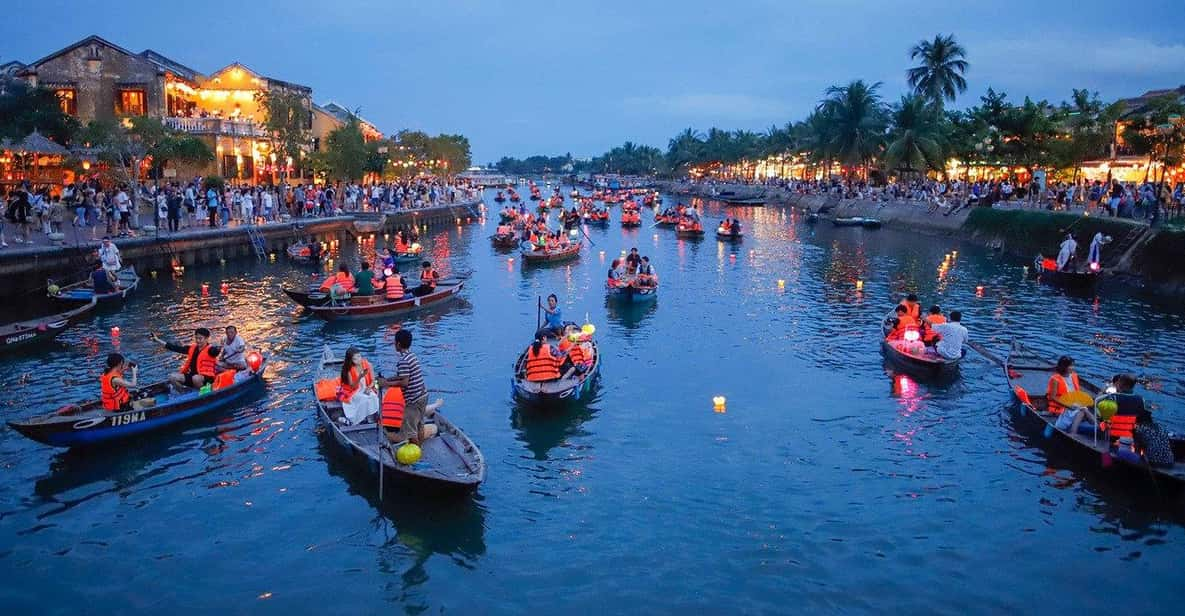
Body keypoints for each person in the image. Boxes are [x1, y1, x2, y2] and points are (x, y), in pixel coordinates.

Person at [378, 329, 430, 444]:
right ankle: (420, 449)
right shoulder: (411, 356)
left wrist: (386, 384)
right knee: (420, 424)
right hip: (423, 395)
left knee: (410, 431)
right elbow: (401, 376)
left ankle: (415, 453)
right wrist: (387, 379)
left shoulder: (403, 361)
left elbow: (404, 382)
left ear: (398, 344)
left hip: (413, 400)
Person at [153, 328, 218, 389]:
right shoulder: (192, 348)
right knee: (172, 377)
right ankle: (184, 394)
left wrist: (219, 348)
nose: (198, 341)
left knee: (196, 378)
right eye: (196, 338)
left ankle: (205, 393)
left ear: (206, 338)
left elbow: (216, 351)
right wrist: (158, 340)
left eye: (200, 338)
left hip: (207, 379)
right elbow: (176, 348)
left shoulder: (211, 350)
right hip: (192, 376)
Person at [337, 347, 378, 425]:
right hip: (354, 391)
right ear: (351, 360)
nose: (359, 359)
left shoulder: (368, 364)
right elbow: (352, 386)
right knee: (364, 399)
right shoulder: (349, 370)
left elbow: (373, 381)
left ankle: (370, 417)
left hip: (366, 388)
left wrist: (369, 388)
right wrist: (360, 377)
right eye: (355, 359)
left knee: (373, 397)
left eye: (359, 356)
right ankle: (354, 420)